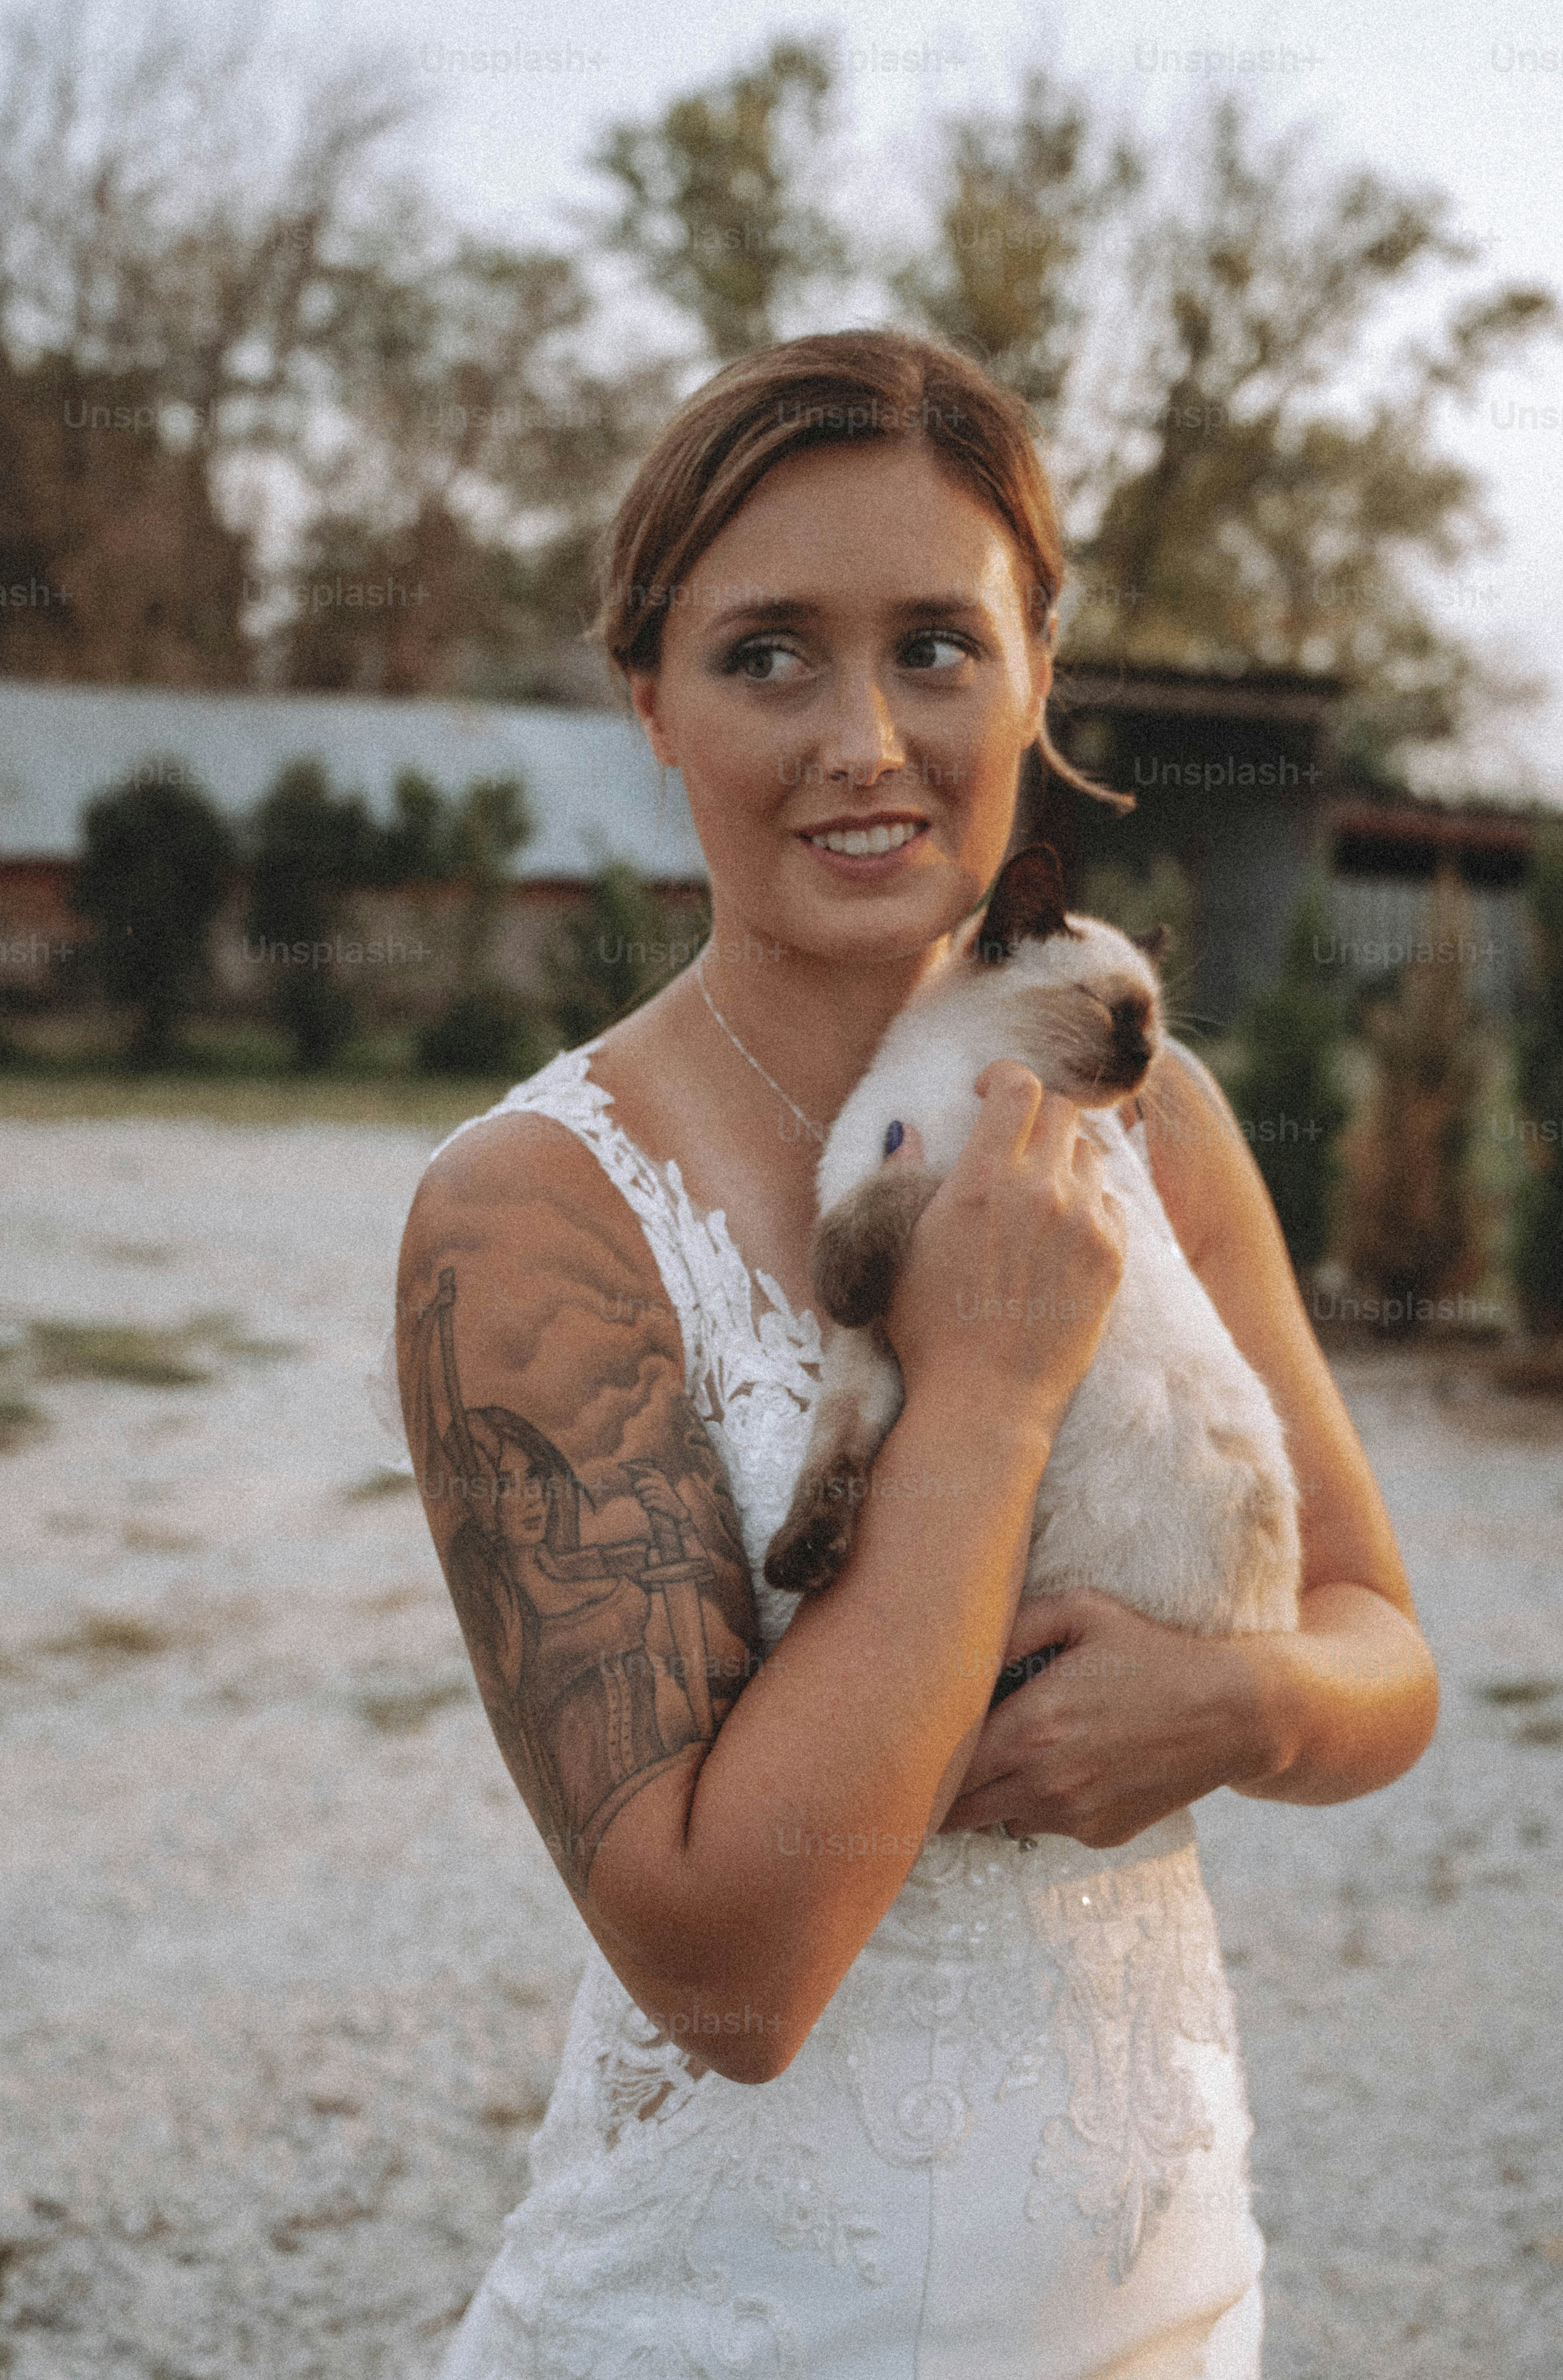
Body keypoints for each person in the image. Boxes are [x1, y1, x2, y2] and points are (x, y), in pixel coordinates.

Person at [391, 329, 1438, 2378]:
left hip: (1165, 2302)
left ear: (1038, 669)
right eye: (768, 654)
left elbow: (1381, 1649)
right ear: (651, 698)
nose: (864, 739)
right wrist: (984, 1392)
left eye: (938, 647)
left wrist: (1236, 1701)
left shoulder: (1150, 1110)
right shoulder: (531, 1214)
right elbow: (736, 1976)